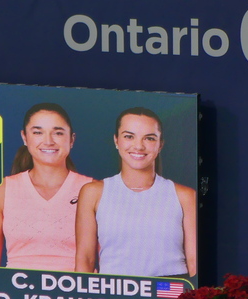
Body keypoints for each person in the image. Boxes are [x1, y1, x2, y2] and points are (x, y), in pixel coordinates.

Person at [75, 107, 196, 278]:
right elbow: (85, 261)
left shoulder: (185, 196)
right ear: (116, 141)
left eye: (149, 138)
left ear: (160, 144)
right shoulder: (93, 193)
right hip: (114, 294)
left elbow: (194, 262)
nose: (139, 146)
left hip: (170, 292)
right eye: (129, 136)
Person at [0, 103, 93, 272]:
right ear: (25, 137)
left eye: (58, 133)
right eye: (38, 132)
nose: (49, 141)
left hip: (72, 295)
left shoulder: (94, 190)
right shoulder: (0, 191)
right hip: (15, 293)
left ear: (71, 139)